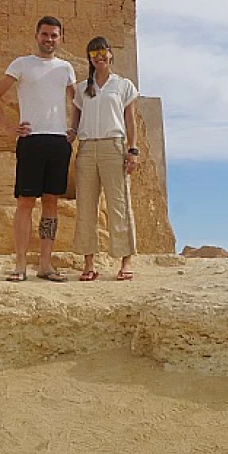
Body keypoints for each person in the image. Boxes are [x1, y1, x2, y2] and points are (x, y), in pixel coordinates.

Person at [0, 16, 76, 282]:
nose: (49, 39)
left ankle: (46, 264)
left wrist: (75, 128)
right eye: (45, 34)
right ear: (37, 35)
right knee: (25, 203)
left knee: (51, 204)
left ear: (60, 38)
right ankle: (20, 264)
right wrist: (6, 127)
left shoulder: (66, 68)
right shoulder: (22, 64)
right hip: (32, 140)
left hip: (58, 142)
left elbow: (78, 101)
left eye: (54, 35)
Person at [69, 36, 139, 281]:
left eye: (102, 52)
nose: (99, 57)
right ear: (89, 57)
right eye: (93, 53)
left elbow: (129, 120)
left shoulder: (123, 86)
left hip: (113, 147)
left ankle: (125, 261)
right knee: (86, 206)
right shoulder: (81, 88)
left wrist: (133, 150)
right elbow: (75, 120)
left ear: (111, 54)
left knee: (119, 204)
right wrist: (71, 134)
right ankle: (89, 263)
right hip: (87, 149)